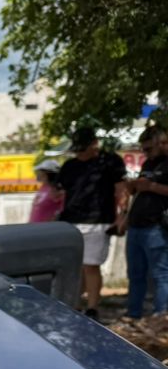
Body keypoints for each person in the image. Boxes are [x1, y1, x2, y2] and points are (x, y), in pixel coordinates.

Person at [57, 125, 129, 317]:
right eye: (77, 149)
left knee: (91, 265)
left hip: (99, 221)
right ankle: (74, 305)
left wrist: (122, 215)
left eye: (83, 148)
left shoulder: (110, 161)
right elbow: (62, 193)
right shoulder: (69, 166)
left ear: (94, 144)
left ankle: (92, 308)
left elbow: (121, 189)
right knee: (75, 267)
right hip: (71, 222)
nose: (79, 153)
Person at [123, 126, 168, 319]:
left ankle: (161, 317)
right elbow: (139, 190)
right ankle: (133, 314)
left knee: (160, 275)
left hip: (156, 227)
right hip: (136, 226)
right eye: (143, 149)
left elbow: (152, 188)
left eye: (149, 149)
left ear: (162, 143)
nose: (145, 153)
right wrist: (133, 187)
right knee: (135, 275)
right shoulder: (148, 163)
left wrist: (151, 186)